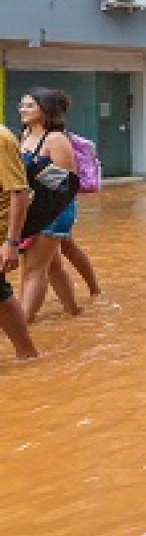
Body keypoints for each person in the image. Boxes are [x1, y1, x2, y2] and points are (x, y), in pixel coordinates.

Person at [18, 89, 83, 323]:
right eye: (22, 105)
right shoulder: (24, 135)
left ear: (45, 111)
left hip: (54, 210)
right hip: (32, 209)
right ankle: (74, 312)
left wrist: (34, 176)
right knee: (53, 265)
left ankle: (23, 323)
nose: (22, 110)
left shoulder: (55, 139)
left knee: (33, 270)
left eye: (29, 106)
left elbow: (67, 183)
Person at [0, 122, 37, 359]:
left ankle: (27, 352)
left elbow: (19, 191)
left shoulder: (1, 139)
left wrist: (11, 242)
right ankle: (27, 354)